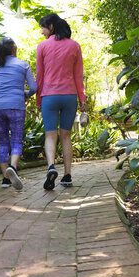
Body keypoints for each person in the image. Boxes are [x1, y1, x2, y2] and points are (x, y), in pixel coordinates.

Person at [36, 13, 86, 190]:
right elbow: (78, 76)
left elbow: (39, 77)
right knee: (66, 136)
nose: (41, 31)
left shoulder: (42, 46)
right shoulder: (75, 46)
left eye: (43, 27)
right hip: (70, 95)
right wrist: (83, 100)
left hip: (49, 95)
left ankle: (51, 166)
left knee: (51, 135)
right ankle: (67, 175)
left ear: (51, 27)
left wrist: (38, 100)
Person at [0, 37, 37, 190]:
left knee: (3, 142)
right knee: (16, 140)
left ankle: (5, 179)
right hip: (16, 106)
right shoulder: (23, 64)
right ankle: (13, 167)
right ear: (13, 49)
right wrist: (25, 94)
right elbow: (34, 87)